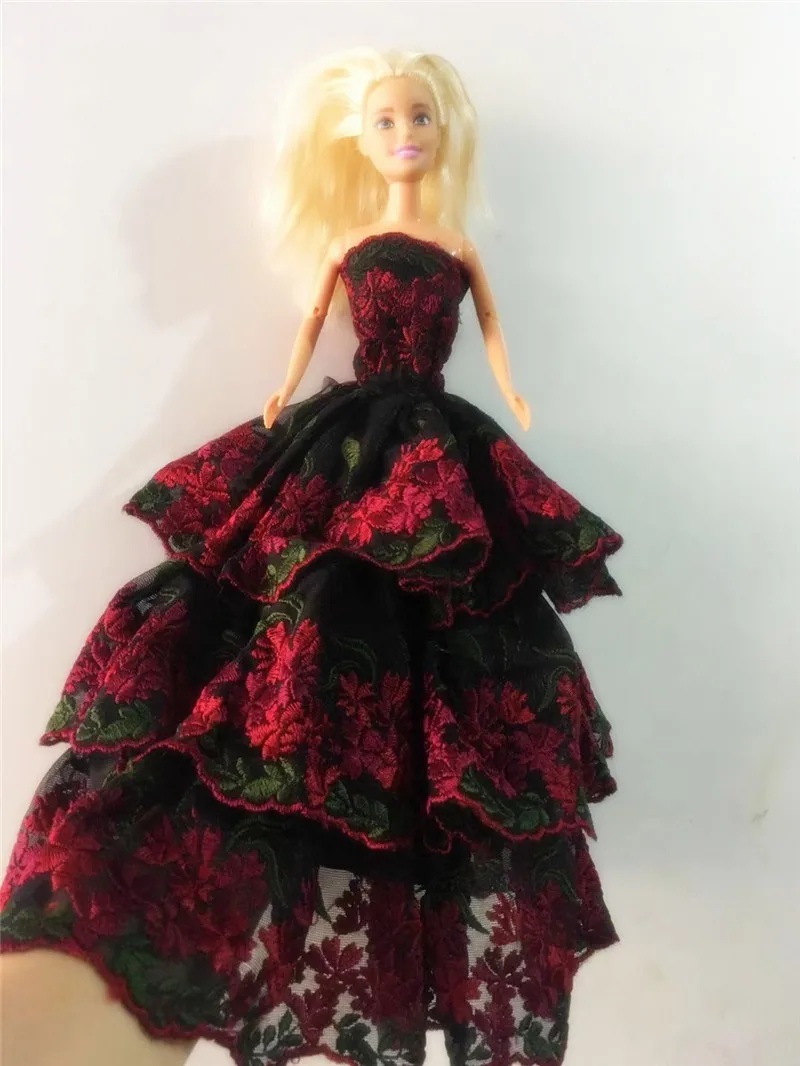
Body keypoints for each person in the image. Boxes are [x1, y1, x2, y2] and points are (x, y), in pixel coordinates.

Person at [0, 46, 624, 1066]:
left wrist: (512, 395)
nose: (404, 135)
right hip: (345, 431)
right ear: (358, 137)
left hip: (433, 429)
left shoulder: (454, 241)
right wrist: (280, 398)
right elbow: (306, 329)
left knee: (438, 609)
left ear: (443, 129)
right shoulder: (352, 240)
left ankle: (368, 783)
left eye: (418, 117)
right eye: (384, 119)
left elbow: (490, 326)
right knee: (300, 589)